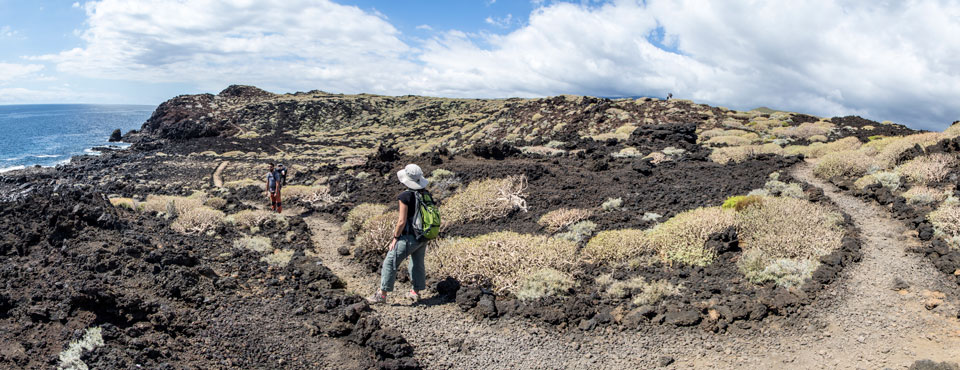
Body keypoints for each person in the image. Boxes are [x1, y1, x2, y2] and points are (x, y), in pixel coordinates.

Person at [367, 164, 431, 305]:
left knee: (390, 262)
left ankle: (381, 295)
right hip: (423, 236)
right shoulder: (425, 194)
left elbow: (401, 221)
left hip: (409, 237)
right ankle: (416, 292)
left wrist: (395, 238)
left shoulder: (405, 196)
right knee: (417, 263)